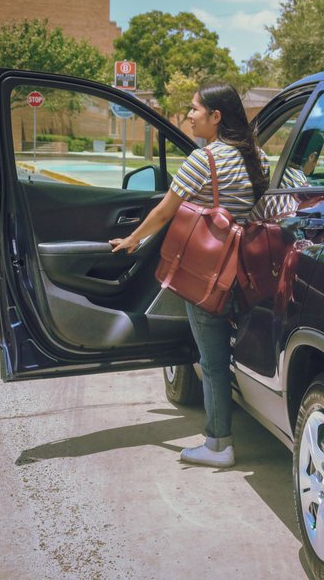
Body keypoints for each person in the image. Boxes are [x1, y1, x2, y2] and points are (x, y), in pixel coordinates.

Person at [110, 81, 270, 468]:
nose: (190, 115)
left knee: (212, 360)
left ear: (216, 117)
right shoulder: (258, 158)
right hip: (250, 271)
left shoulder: (204, 160)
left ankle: (219, 444)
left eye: (196, 109)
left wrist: (132, 239)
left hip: (211, 274)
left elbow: (166, 211)